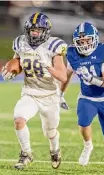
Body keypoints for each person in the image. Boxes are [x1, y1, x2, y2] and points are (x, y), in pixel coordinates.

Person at [2, 12, 67, 169]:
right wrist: (11, 71)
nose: (34, 33)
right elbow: (17, 61)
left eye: (37, 30)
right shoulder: (20, 43)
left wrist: (48, 66)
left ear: (45, 31)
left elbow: (63, 77)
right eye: (32, 30)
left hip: (50, 95)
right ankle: (26, 153)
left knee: (50, 131)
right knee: (19, 119)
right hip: (30, 92)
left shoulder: (54, 46)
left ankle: (55, 150)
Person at [63, 22, 104, 166]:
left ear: (95, 39)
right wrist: (60, 94)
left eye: (87, 40)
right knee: (83, 123)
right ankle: (88, 146)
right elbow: (67, 75)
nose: (84, 44)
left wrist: (92, 79)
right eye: (80, 41)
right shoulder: (73, 53)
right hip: (87, 97)